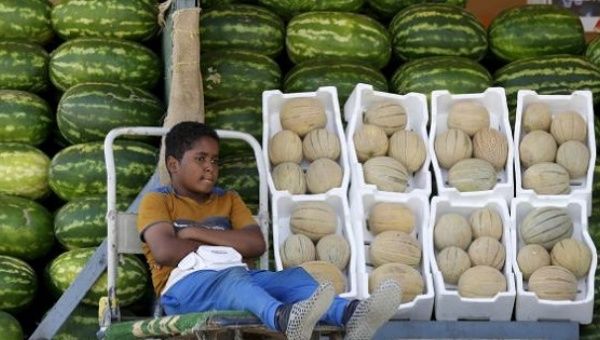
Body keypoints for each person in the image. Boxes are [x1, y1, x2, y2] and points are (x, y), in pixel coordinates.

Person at [137, 121, 403, 340]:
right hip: (184, 293)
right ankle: (284, 319)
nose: (210, 167)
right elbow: (165, 251)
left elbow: (255, 244)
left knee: (295, 279)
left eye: (215, 161)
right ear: (173, 165)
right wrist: (230, 244)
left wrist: (195, 232)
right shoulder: (158, 201)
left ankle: (351, 314)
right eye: (201, 158)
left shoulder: (228, 199)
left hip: (236, 278)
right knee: (235, 281)